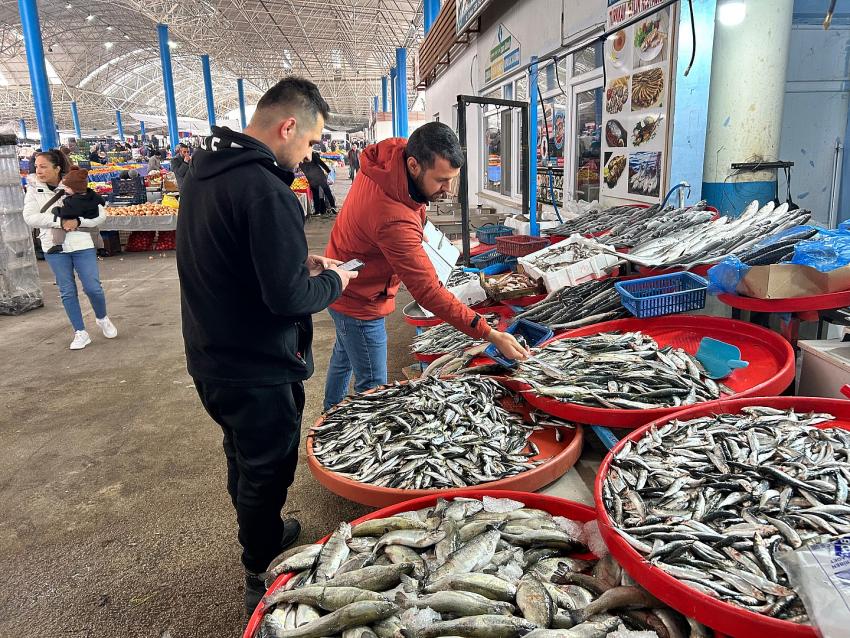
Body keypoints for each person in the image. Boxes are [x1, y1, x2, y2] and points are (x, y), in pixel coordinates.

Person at [176, 76, 358, 612]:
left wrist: (301, 261)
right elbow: (288, 299)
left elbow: (236, 258)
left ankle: (262, 531)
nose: (307, 157)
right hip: (255, 363)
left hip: (211, 353)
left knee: (241, 453)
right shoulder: (264, 189)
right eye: (307, 143)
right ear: (287, 127)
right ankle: (259, 566)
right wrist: (333, 281)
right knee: (267, 464)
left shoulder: (206, 174)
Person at [323, 122, 527, 410]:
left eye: (453, 179)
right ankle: (349, 432)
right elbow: (428, 292)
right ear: (414, 166)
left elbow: (411, 211)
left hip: (341, 274)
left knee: (343, 353)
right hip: (359, 296)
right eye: (441, 180)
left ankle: (330, 410)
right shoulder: (392, 217)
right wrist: (490, 333)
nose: (448, 189)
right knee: (374, 387)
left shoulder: (391, 158)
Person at [23, 150, 118, 350]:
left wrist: (79, 221)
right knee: (67, 290)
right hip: (54, 245)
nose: (38, 170)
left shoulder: (75, 183)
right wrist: (59, 221)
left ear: (57, 168)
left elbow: (100, 214)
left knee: (93, 287)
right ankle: (80, 332)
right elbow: (30, 217)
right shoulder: (33, 189)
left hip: (82, 242)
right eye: (37, 166)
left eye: (43, 166)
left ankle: (102, 318)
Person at [45, 168, 106, 254]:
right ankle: (100, 248)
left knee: (58, 227)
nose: (65, 189)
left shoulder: (74, 201)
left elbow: (67, 213)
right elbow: (102, 202)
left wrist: (56, 210)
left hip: (76, 220)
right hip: (91, 217)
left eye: (67, 187)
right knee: (94, 231)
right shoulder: (93, 194)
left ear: (75, 188)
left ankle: (58, 245)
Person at [299, 150, 336, 216]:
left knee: (318, 193)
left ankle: (318, 211)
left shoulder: (304, 156)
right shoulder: (307, 155)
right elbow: (320, 162)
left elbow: (319, 162)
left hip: (314, 177)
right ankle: (330, 207)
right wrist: (327, 170)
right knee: (325, 191)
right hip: (317, 177)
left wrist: (327, 170)